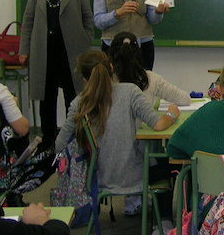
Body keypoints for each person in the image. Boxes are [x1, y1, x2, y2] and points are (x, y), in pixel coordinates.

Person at [54, 50, 179, 216]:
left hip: (98, 177)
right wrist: (172, 113)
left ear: (84, 78)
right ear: (111, 68)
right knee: (179, 163)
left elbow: (59, 145)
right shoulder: (130, 92)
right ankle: (165, 222)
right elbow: (158, 124)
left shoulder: (79, 103)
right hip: (137, 175)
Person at [107, 30, 191, 215]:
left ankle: (134, 201)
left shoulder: (103, 83)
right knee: (175, 160)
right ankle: (164, 219)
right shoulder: (149, 79)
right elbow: (184, 99)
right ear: (140, 54)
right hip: (140, 164)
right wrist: (170, 112)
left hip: (106, 167)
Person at [18, 0, 94, 146]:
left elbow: (88, 16)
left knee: (73, 94)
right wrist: (24, 49)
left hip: (72, 50)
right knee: (47, 97)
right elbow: (28, 19)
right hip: (44, 51)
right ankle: (48, 139)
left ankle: (75, 137)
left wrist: (86, 39)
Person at [107, 31, 190, 108]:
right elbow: (185, 99)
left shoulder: (104, 79)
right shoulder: (151, 78)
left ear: (110, 55)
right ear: (139, 53)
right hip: (145, 124)